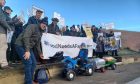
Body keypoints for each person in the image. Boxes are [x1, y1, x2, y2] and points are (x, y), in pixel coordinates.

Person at [15, 18, 48, 84]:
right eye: (43, 23)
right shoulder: (32, 26)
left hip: (28, 47)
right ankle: (28, 82)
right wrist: (27, 51)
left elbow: (37, 44)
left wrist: (40, 53)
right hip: (20, 45)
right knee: (28, 62)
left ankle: (29, 80)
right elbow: (25, 37)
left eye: (46, 25)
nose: (44, 25)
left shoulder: (41, 32)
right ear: (40, 23)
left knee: (34, 63)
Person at [0, 0, 12, 68]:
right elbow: (2, 20)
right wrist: (9, 28)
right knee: (3, 47)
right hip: (1, 31)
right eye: (3, 0)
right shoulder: (1, 10)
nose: (4, 2)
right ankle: (4, 64)